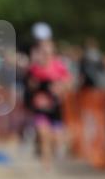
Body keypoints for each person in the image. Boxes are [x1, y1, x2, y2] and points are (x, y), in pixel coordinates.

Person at [26, 39, 71, 170]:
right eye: (43, 51)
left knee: (56, 139)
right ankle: (46, 163)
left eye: (48, 50)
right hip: (40, 107)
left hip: (55, 107)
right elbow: (29, 85)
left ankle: (56, 149)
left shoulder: (59, 66)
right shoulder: (35, 68)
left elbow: (68, 83)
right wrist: (33, 88)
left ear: (52, 52)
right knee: (43, 134)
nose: (45, 53)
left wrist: (60, 87)